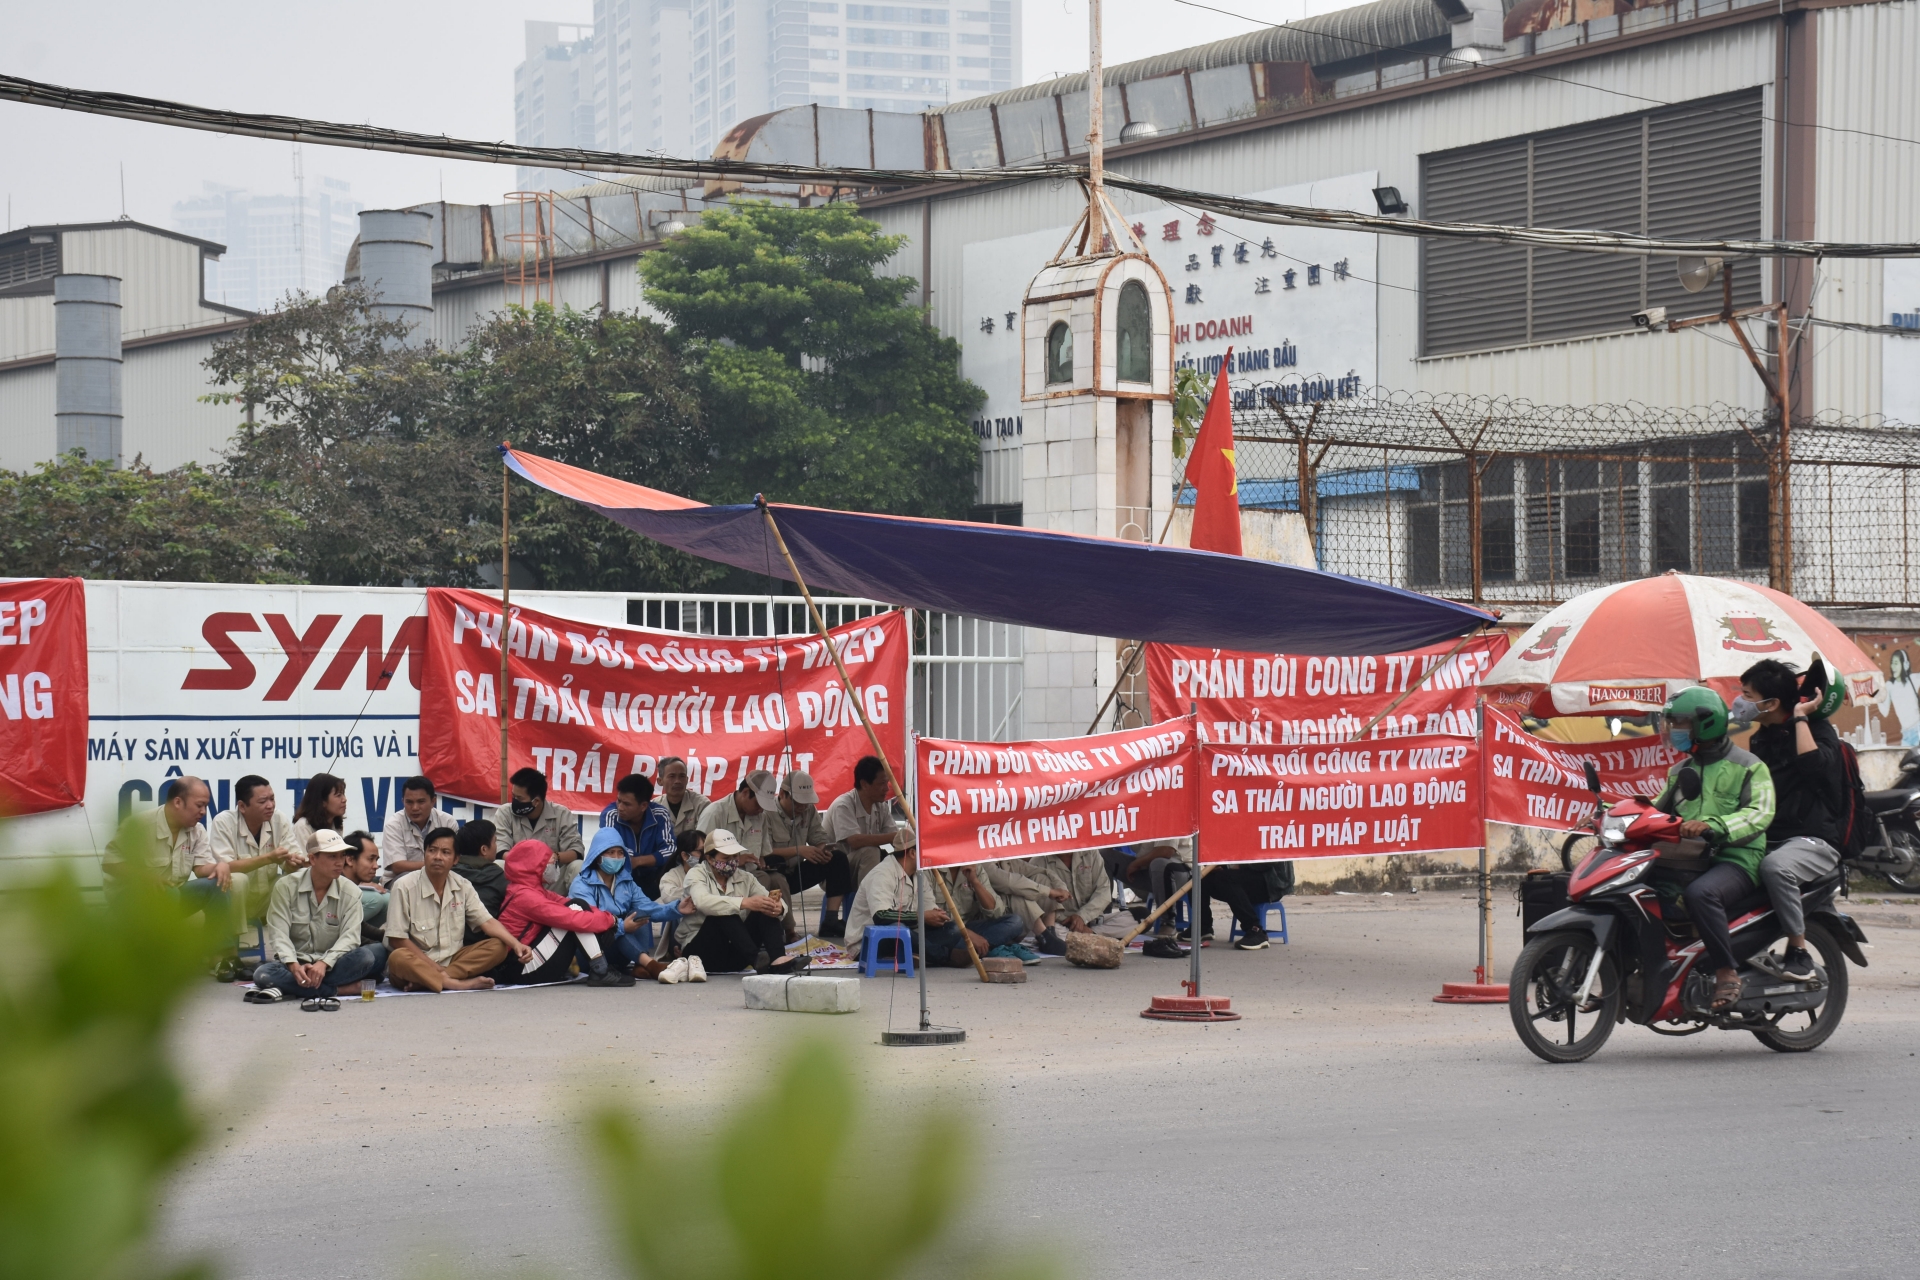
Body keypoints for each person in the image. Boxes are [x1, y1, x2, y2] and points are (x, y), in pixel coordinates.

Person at [1659, 687, 1777, 1013]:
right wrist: (1610, 814)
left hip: (1737, 858)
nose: (1675, 731)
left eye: (1681, 723)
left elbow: (1760, 813)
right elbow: (1656, 813)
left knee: (1701, 895)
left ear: (1705, 724)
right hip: (1689, 857)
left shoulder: (1750, 767)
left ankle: (1727, 972)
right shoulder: (1679, 771)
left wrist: (1715, 826)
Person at [1737, 659, 1845, 983]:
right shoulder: (1761, 737)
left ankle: (1798, 950)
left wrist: (1800, 717)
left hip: (1814, 839)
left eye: (1746, 694)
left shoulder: (1819, 731)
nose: (1740, 701)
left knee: (1776, 868)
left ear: (1770, 703)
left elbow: (1813, 766)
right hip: (1771, 834)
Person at [247, 830, 389, 1009]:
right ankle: (337, 989)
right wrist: (293, 966)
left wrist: (324, 963)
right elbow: (278, 934)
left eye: (342, 855)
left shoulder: (351, 892)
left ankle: (294, 987)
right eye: (332, 856)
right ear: (312, 859)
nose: (340, 863)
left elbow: (351, 937)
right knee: (263, 974)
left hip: (334, 962)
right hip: (298, 963)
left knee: (372, 954)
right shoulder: (285, 887)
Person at [385, 827, 533, 993]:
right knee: (397, 958)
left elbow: (487, 921)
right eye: (432, 850)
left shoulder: (462, 885)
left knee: (498, 946)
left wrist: (517, 944)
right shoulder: (403, 886)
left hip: (453, 961)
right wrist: (433, 967)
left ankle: (433, 980)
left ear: (456, 859)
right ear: (425, 854)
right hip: (417, 962)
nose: (437, 857)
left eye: (445, 852)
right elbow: (397, 940)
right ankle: (455, 983)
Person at [103, 777, 228, 950]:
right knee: (168, 894)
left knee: (217, 884)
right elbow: (109, 863)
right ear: (178, 802)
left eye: (206, 806)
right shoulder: (140, 825)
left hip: (172, 896)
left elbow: (200, 869)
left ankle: (218, 955)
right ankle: (154, 954)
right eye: (199, 805)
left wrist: (219, 866)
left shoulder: (197, 831)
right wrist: (145, 877)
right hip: (131, 900)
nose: (204, 811)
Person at [668, 829, 803, 978]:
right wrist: (744, 903)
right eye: (726, 857)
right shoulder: (696, 874)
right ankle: (757, 959)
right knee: (723, 912)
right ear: (710, 859)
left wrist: (778, 908)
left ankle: (779, 960)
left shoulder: (746, 878)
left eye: (735, 856)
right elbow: (703, 901)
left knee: (766, 907)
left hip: (737, 954)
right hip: (701, 955)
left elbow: (774, 902)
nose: (732, 861)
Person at [495, 839, 630, 986]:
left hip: (524, 962)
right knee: (575, 916)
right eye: (552, 862)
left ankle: (600, 969)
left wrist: (609, 919)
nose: (555, 867)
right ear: (535, 865)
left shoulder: (531, 889)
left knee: (578, 904)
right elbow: (572, 918)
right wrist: (609, 921)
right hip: (518, 970)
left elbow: (572, 904)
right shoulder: (526, 896)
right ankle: (601, 971)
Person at [845, 842, 998, 968]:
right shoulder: (882, 874)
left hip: (910, 935)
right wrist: (921, 916)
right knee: (899, 929)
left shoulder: (920, 876)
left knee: (951, 929)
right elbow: (881, 916)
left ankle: (919, 954)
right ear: (912, 853)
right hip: (867, 944)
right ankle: (947, 957)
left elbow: (929, 908)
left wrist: (937, 917)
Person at [570, 826, 683, 979]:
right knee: (621, 926)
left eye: (620, 852)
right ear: (597, 856)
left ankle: (639, 965)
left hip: (618, 950)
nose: (616, 857)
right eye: (611, 852)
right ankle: (649, 964)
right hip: (591, 952)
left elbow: (649, 908)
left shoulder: (626, 882)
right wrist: (622, 927)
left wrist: (678, 908)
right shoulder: (581, 884)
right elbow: (590, 922)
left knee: (640, 913)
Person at [206, 774, 302, 947]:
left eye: (272, 799)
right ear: (242, 806)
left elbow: (291, 857)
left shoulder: (279, 819)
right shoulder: (224, 822)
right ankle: (232, 946)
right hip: (234, 901)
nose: (270, 805)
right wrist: (268, 858)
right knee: (237, 879)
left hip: (266, 900)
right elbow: (225, 866)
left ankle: (296, 944)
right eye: (263, 801)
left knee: (295, 879)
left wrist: (294, 863)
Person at [698, 770, 797, 937]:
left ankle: (789, 931)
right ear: (745, 793)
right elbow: (702, 854)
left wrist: (762, 861)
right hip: (721, 875)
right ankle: (751, 933)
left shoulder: (761, 816)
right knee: (763, 879)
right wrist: (737, 859)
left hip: (752, 872)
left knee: (778, 879)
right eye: (758, 804)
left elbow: (763, 852)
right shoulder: (714, 813)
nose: (760, 810)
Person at [763, 770, 852, 926]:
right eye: (797, 803)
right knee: (774, 860)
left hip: (797, 871)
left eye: (805, 803)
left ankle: (831, 920)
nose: (802, 807)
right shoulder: (767, 813)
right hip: (774, 873)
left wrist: (823, 851)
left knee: (838, 858)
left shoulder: (808, 810)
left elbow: (819, 837)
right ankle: (783, 925)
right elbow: (763, 852)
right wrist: (799, 850)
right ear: (783, 794)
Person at [825, 756, 916, 899]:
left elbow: (897, 842)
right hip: (836, 874)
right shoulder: (843, 805)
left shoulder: (881, 806)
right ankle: (868, 904)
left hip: (863, 867)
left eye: (887, 783)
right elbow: (855, 841)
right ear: (865, 784)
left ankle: (906, 904)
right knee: (870, 852)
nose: (887, 788)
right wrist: (896, 836)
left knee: (906, 857)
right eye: (882, 783)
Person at [492, 767, 585, 892]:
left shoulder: (562, 814)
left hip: (552, 880)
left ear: (536, 801)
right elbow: (500, 850)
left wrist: (555, 857)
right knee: (498, 865)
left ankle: (576, 909)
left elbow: (577, 851)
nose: (514, 801)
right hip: (518, 878)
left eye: (519, 798)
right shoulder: (505, 812)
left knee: (578, 867)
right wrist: (527, 861)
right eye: (513, 796)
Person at [601, 773, 676, 898]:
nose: (620, 807)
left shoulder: (660, 814)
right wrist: (652, 858)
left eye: (627, 804)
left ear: (643, 806)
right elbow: (612, 850)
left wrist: (638, 861)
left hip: (655, 877)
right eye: (619, 801)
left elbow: (671, 850)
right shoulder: (610, 814)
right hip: (621, 876)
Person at [1025, 850, 1114, 954]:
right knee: (1051, 934)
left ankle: (1090, 935)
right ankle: (1096, 939)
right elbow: (1038, 903)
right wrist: (1072, 922)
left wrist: (1082, 916)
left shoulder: (1091, 853)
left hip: (1091, 919)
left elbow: (1104, 892)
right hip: (1062, 924)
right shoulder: (1039, 861)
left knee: (1129, 920)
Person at [379, 776, 456, 880]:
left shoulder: (447, 822)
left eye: (421, 802)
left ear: (433, 801)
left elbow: (455, 860)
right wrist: (435, 865)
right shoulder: (394, 824)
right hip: (401, 879)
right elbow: (397, 866)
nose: (415, 808)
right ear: (403, 801)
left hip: (440, 877)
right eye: (409, 802)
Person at [341, 830, 390, 941]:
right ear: (350, 860)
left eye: (376, 860)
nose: (376, 866)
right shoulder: (337, 885)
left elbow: (360, 926)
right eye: (370, 859)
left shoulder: (351, 886)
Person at [453, 820, 507, 918]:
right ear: (484, 850)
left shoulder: (447, 872)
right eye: (495, 841)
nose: (496, 846)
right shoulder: (498, 876)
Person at [289, 773, 348, 855]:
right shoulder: (303, 826)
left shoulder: (336, 824)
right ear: (322, 801)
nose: (344, 799)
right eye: (338, 795)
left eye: (343, 794)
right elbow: (304, 864)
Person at [658, 756, 709, 837]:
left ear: (687, 779)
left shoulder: (701, 805)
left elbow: (703, 841)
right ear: (660, 781)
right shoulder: (654, 807)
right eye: (672, 776)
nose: (677, 781)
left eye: (682, 776)